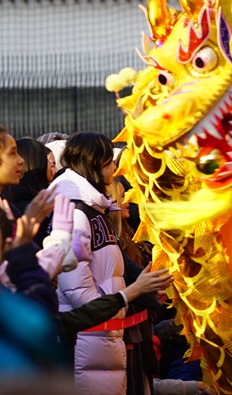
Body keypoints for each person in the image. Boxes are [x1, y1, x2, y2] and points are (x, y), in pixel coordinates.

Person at [51, 132, 128, 393]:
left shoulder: (95, 209)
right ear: (94, 164)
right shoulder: (76, 210)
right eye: (109, 162)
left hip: (102, 332)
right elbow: (74, 286)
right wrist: (110, 305)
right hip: (90, 334)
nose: (115, 169)